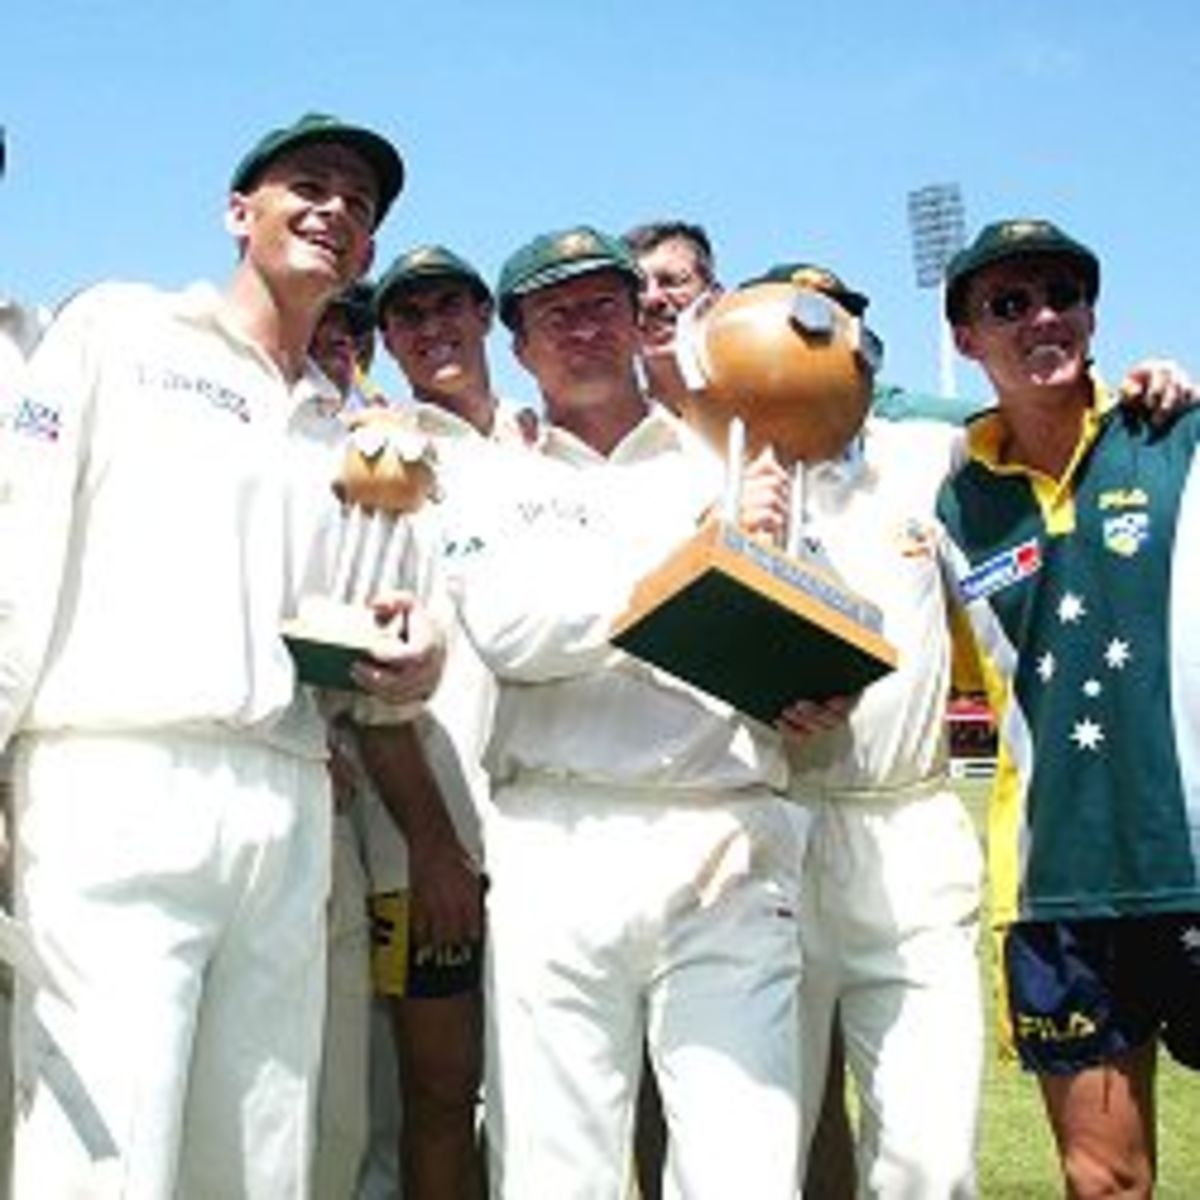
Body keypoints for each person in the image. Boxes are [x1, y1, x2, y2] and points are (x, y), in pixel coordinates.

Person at [0, 112, 443, 1197]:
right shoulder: (119, 331)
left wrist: (416, 659)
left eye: (360, 202)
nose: (336, 207)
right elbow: (16, 543)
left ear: (368, 256)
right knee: (102, 1153)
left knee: (260, 1157)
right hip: (115, 776)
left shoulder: (352, 428)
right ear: (238, 212)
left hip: (288, 796)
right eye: (310, 183)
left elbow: (373, 629)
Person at [439, 225, 807, 1200]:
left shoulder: (729, 461)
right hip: (556, 837)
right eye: (554, 314)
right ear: (516, 344)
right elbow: (517, 631)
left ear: (638, 317)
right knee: (556, 1172)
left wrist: (817, 691)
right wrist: (693, 560)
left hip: (725, 834)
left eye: (603, 304)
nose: (584, 328)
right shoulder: (487, 477)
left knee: (747, 1169)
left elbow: (798, 644)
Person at [937, 218, 1200, 1198]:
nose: (1042, 317)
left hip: (1196, 855)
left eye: (1063, 295)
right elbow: (963, 691)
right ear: (968, 339)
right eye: (1008, 304)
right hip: (1060, 887)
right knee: (1103, 1183)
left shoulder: (1177, 436)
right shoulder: (951, 507)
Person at [355, 243, 533, 1200]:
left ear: (484, 317)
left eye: (450, 308)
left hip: (556, 827)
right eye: (410, 317)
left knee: (570, 1096)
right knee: (439, 1090)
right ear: (388, 338)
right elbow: (365, 675)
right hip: (424, 842)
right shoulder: (378, 455)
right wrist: (429, 845)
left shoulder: (545, 441)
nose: (434, 330)